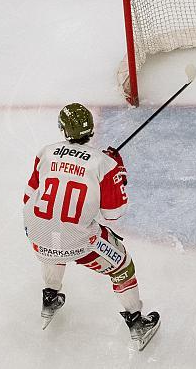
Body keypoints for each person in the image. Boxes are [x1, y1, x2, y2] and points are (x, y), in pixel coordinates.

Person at [22, 103, 160, 351]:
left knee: (54, 233)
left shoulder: (45, 152)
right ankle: (137, 322)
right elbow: (113, 215)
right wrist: (119, 172)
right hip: (78, 242)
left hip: (35, 233)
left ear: (63, 130)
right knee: (122, 265)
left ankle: (50, 296)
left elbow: (28, 197)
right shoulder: (104, 164)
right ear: (91, 130)